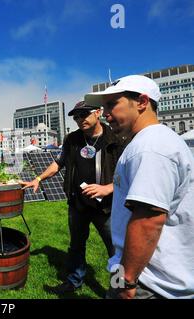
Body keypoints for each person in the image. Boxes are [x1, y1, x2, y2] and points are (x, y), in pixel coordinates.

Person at [85, 75, 194, 299]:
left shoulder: (150, 147)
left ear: (142, 102)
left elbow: (148, 220)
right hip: (130, 268)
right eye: (104, 107)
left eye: (112, 104)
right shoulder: (148, 142)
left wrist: (126, 283)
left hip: (148, 281)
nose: (105, 114)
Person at [22, 101, 125, 294]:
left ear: (98, 112)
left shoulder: (115, 138)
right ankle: (74, 280)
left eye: (84, 114)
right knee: (76, 245)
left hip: (107, 207)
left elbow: (127, 173)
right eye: (76, 116)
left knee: (117, 250)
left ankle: (119, 288)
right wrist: (38, 178)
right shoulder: (72, 139)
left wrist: (107, 188)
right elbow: (58, 163)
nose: (79, 119)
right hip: (78, 205)